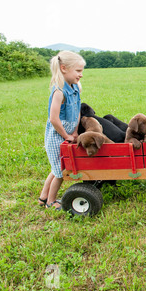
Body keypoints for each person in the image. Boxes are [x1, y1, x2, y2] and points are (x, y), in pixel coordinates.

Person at [38, 51, 86, 209]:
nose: (81, 75)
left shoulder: (75, 88)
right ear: (64, 68)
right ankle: (51, 202)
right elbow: (53, 118)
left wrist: (75, 131)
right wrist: (65, 134)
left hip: (68, 133)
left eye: (81, 71)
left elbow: (77, 110)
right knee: (60, 171)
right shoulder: (59, 91)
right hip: (56, 135)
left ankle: (43, 197)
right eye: (78, 71)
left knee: (56, 167)